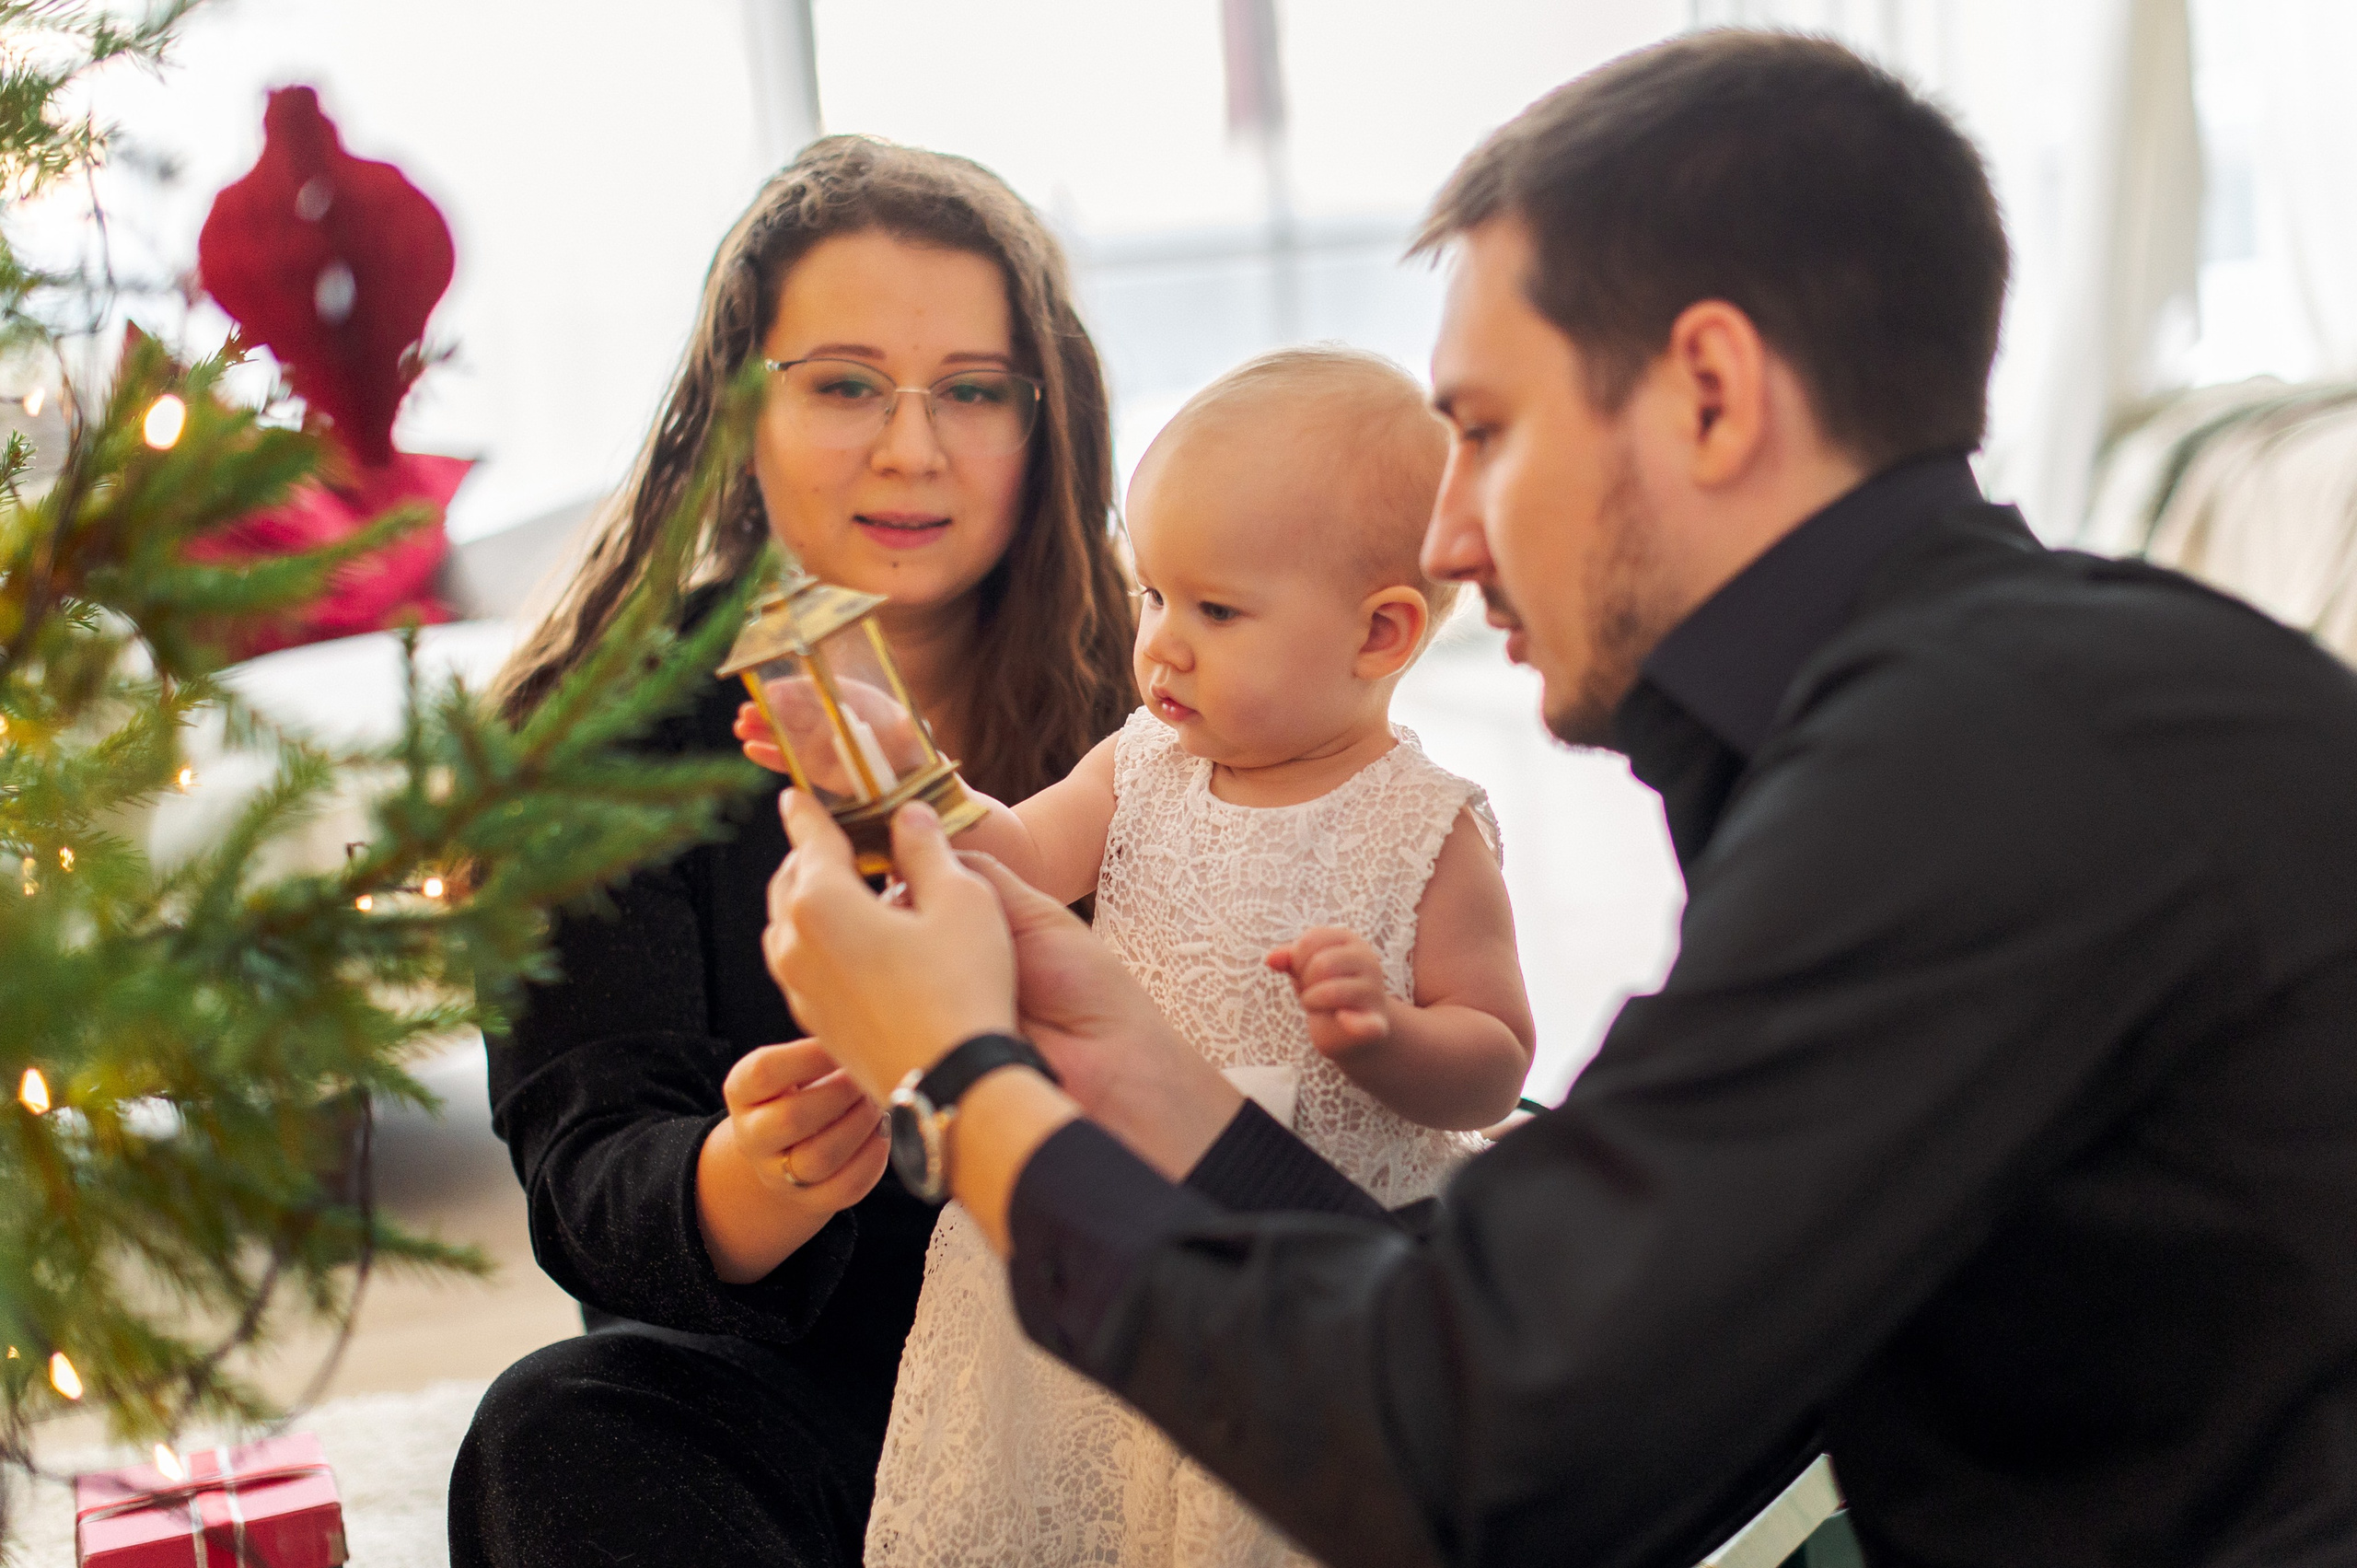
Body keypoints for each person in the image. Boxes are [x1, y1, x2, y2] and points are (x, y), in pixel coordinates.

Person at [760, 32, 2357, 1568]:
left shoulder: (1973, 779)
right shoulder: (1968, 709)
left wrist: (960, 1088)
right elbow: (1572, 1323)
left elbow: (1483, 1457)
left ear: (1712, 393)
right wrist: (1142, 1078)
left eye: (1485, 430)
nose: (1446, 538)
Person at [447, 136, 1137, 1568]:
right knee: (553, 1429)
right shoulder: (598, 744)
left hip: (1133, 1371)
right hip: (813, 1409)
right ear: (735, 414)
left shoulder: (1167, 693)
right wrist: (760, 1175)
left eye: (971, 390)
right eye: (842, 385)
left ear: (1043, 414)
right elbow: (588, 1169)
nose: (912, 446)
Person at [740, 346, 1534, 1564]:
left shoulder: (1421, 824)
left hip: (1296, 1259)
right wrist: (900, 771)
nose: (1161, 647)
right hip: (1103, 1215)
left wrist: (1392, 1033)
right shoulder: (1138, 764)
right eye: (1151, 596)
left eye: (1215, 611)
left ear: (1381, 634)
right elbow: (1007, 854)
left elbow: (1495, 1058)